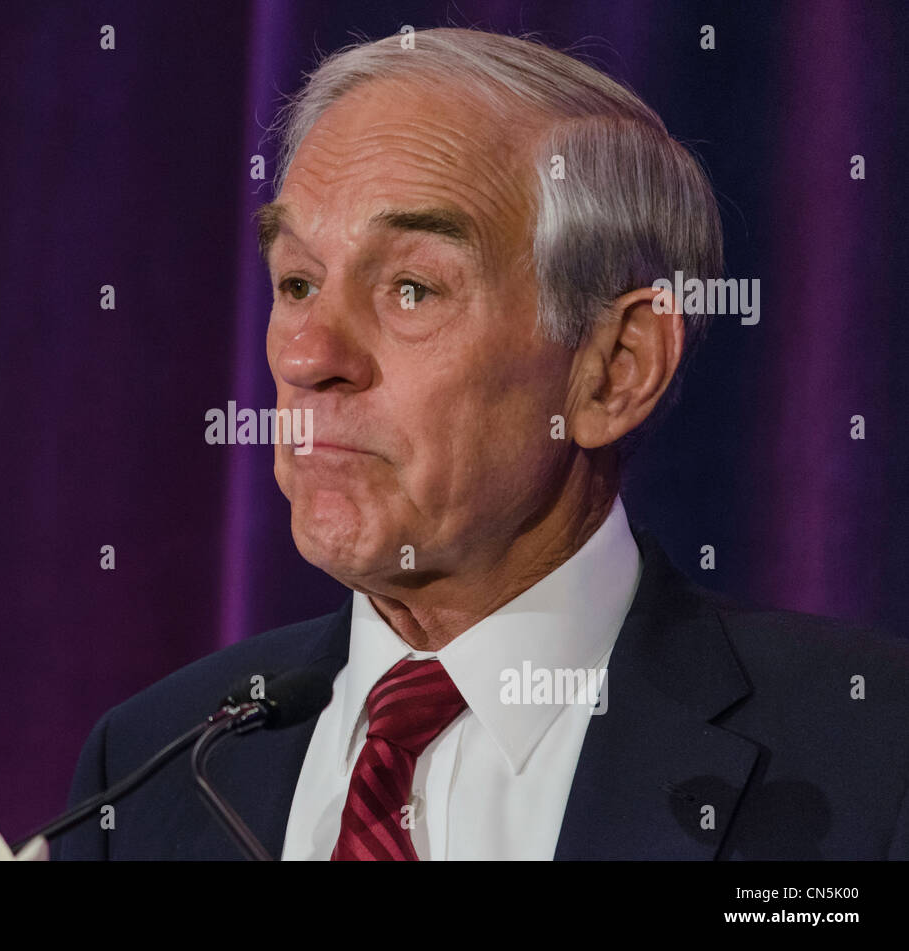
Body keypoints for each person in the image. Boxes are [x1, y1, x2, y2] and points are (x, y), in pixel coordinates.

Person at [51, 27, 909, 860]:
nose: (312, 357)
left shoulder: (872, 757)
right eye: (299, 282)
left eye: (413, 289)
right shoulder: (148, 767)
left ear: (615, 369)